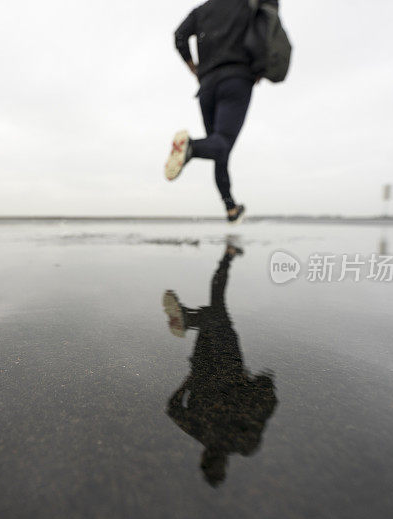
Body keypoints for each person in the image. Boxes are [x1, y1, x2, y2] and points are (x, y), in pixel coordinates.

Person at [163, 240, 277, 487]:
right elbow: (172, 407)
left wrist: (260, 383)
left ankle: (190, 314)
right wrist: (189, 380)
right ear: (205, 457)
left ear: (222, 464)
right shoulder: (201, 431)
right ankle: (226, 258)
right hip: (204, 366)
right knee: (216, 310)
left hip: (227, 366)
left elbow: (265, 403)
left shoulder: (242, 442)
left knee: (216, 313)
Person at [165, 0, 276, 223]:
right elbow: (266, 29)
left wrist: (195, 69)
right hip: (236, 78)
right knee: (222, 143)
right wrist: (260, 68)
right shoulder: (246, 4)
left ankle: (231, 208)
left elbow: (179, 37)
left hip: (207, 86)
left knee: (218, 149)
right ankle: (191, 147)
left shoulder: (201, 11)